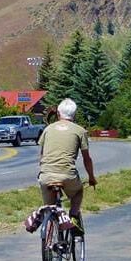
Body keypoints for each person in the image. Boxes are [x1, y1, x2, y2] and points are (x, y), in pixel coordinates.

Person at [38, 98, 96, 232]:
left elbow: (41, 156)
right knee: (78, 191)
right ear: (74, 115)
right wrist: (91, 178)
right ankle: (74, 216)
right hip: (67, 175)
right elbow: (87, 159)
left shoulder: (48, 129)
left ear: (58, 114)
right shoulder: (80, 131)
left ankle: (50, 236)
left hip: (46, 175)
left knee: (50, 207)